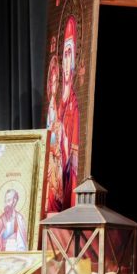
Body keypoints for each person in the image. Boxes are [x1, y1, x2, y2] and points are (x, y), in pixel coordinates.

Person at [59, 15, 80, 210]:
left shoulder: (74, 102)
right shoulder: (59, 104)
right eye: (64, 55)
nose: (66, 62)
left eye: (69, 54)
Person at [45, 55, 64, 213]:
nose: (53, 84)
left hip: (55, 163)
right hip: (48, 161)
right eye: (51, 81)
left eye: (56, 80)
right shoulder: (50, 109)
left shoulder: (59, 110)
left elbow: (57, 144)